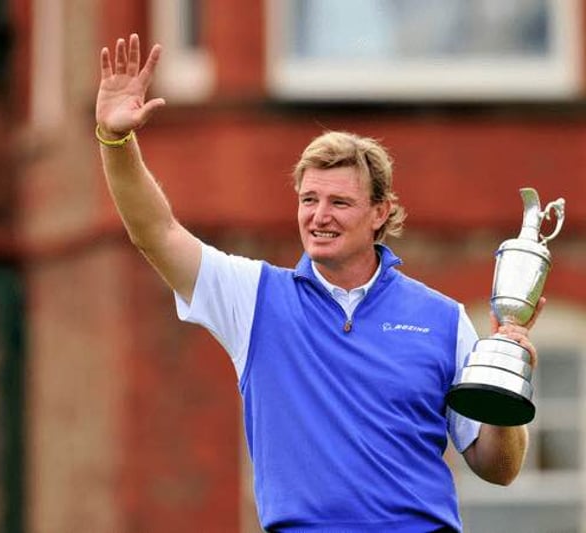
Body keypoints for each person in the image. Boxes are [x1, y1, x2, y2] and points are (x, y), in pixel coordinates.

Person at [94, 34, 538, 532]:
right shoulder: (254, 297)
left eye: (339, 203)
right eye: (309, 200)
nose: (319, 217)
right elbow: (155, 232)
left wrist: (506, 383)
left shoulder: (443, 318)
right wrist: (116, 141)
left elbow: (498, 467)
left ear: (380, 213)